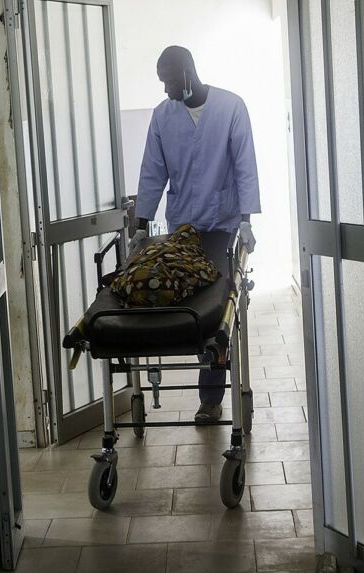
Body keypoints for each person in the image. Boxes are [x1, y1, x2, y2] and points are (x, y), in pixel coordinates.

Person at [130, 45, 260, 423]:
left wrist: (248, 220)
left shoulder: (231, 107)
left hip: (222, 223)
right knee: (186, 300)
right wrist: (141, 226)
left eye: (170, 80)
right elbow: (152, 171)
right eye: (163, 83)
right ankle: (201, 376)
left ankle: (210, 397)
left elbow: (245, 166)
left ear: (187, 71)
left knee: (216, 307)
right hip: (183, 225)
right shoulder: (163, 116)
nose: (167, 89)